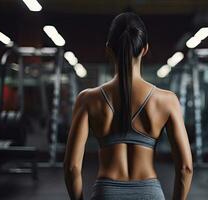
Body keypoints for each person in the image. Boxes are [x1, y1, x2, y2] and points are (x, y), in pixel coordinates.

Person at [64, 12, 193, 200]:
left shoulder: (87, 99)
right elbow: (185, 168)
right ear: (145, 49)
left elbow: (71, 167)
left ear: (109, 49)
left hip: (106, 194)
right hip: (150, 194)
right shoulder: (167, 100)